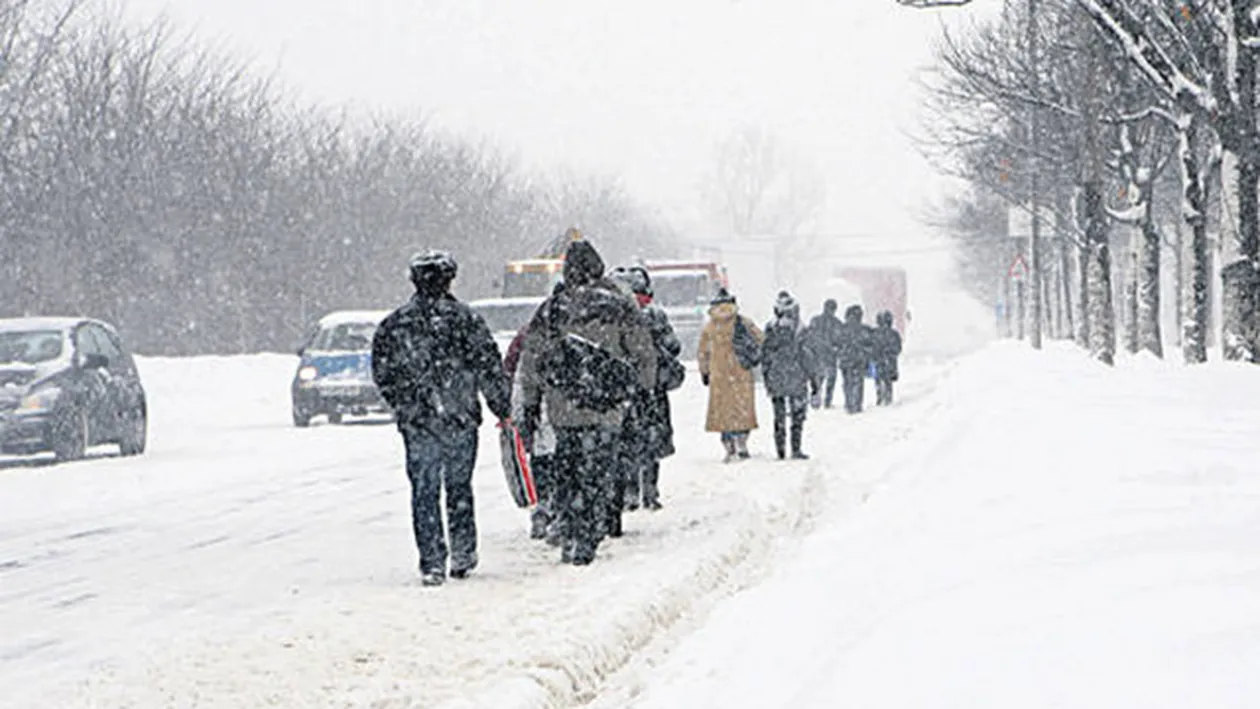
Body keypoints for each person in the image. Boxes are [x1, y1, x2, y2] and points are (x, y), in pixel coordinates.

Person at [371, 250, 511, 587]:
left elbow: (383, 373)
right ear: (450, 280)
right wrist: (502, 407)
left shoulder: (395, 324)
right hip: (459, 416)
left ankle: (432, 560)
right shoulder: (467, 320)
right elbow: (489, 367)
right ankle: (462, 552)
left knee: (425, 490)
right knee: (459, 487)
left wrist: (404, 405)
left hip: (419, 421)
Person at [515, 240, 657, 565]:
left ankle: (570, 527)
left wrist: (531, 404)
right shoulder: (619, 306)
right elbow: (643, 353)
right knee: (599, 470)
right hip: (607, 407)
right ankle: (590, 533)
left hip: (564, 407)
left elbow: (531, 361)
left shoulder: (552, 309)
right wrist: (640, 392)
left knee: (567, 468)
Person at [610, 265, 682, 511]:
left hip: (621, 390)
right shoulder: (655, 315)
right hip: (652, 388)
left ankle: (630, 491)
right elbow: (673, 346)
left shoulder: (613, 314)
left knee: (625, 442)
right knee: (651, 440)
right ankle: (650, 492)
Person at [698, 287, 763, 462]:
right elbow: (761, 339)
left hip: (719, 376)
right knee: (742, 410)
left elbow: (703, 352)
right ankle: (742, 442)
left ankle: (728, 446)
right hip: (741, 373)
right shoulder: (743, 322)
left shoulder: (710, 326)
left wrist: (705, 371)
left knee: (723, 413)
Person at [762, 291, 816, 460]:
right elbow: (807, 357)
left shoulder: (770, 328)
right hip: (797, 377)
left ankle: (780, 450)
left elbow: (765, 355)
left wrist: (767, 377)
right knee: (797, 415)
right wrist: (813, 380)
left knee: (778, 416)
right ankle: (796, 448)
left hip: (776, 377)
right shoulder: (801, 329)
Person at [835, 304, 873, 414]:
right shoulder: (864, 329)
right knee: (858, 382)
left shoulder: (841, 329)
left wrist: (840, 352)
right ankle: (856, 404)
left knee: (847, 382)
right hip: (859, 360)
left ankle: (848, 403)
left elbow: (835, 344)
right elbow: (871, 344)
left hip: (845, 360)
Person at [805, 299, 843, 409]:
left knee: (817, 381)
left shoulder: (816, 320)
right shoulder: (837, 323)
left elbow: (809, 337)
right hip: (828, 357)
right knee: (829, 381)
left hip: (818, 356)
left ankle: (816, 402)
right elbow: (841, 341)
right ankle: (827, 402)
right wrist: (836, 349)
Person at [871, 310, 903, 406]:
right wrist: (890, 354)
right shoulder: (894, 334)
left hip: (878, 361)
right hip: (890, 361)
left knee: (878, 379)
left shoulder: (874, 333)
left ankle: (880, 397)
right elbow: (898, 348)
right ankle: (888, 399)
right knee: (888, 381)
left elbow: (870, 348)